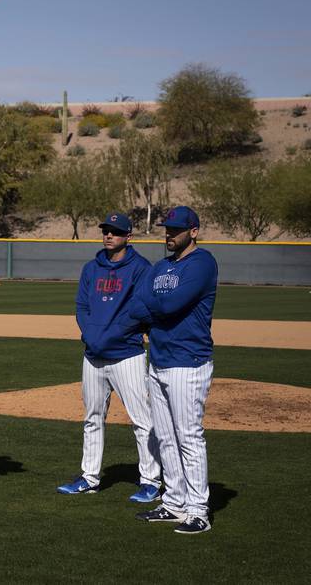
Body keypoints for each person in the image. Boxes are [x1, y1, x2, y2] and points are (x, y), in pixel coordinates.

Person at [57, 213, 161, 502]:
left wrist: (109, 336)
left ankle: (151, 481)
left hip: (127, 354)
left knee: (142, 419)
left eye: (115, 231)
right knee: (92, 417)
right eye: (105, 230)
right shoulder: (92, 268)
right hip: (93, 355)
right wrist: (91, 335)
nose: (108, 235)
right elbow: (81, 306)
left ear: (128, 236)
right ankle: (89, 477)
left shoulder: (141, 268)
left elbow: (140, 310)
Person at [130, 206, 218, 535]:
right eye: (167, 229)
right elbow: (137, 304)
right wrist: (153, 307)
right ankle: (174, 502)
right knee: (165, 438)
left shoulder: (202, 263)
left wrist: (152, 306)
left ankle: (198, 510)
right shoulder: (161, 265)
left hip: (189, 360)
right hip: (160, 358)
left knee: (188, 437)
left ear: (193, 231)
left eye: (176, 230)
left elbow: (165, 305)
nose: (169, 234)